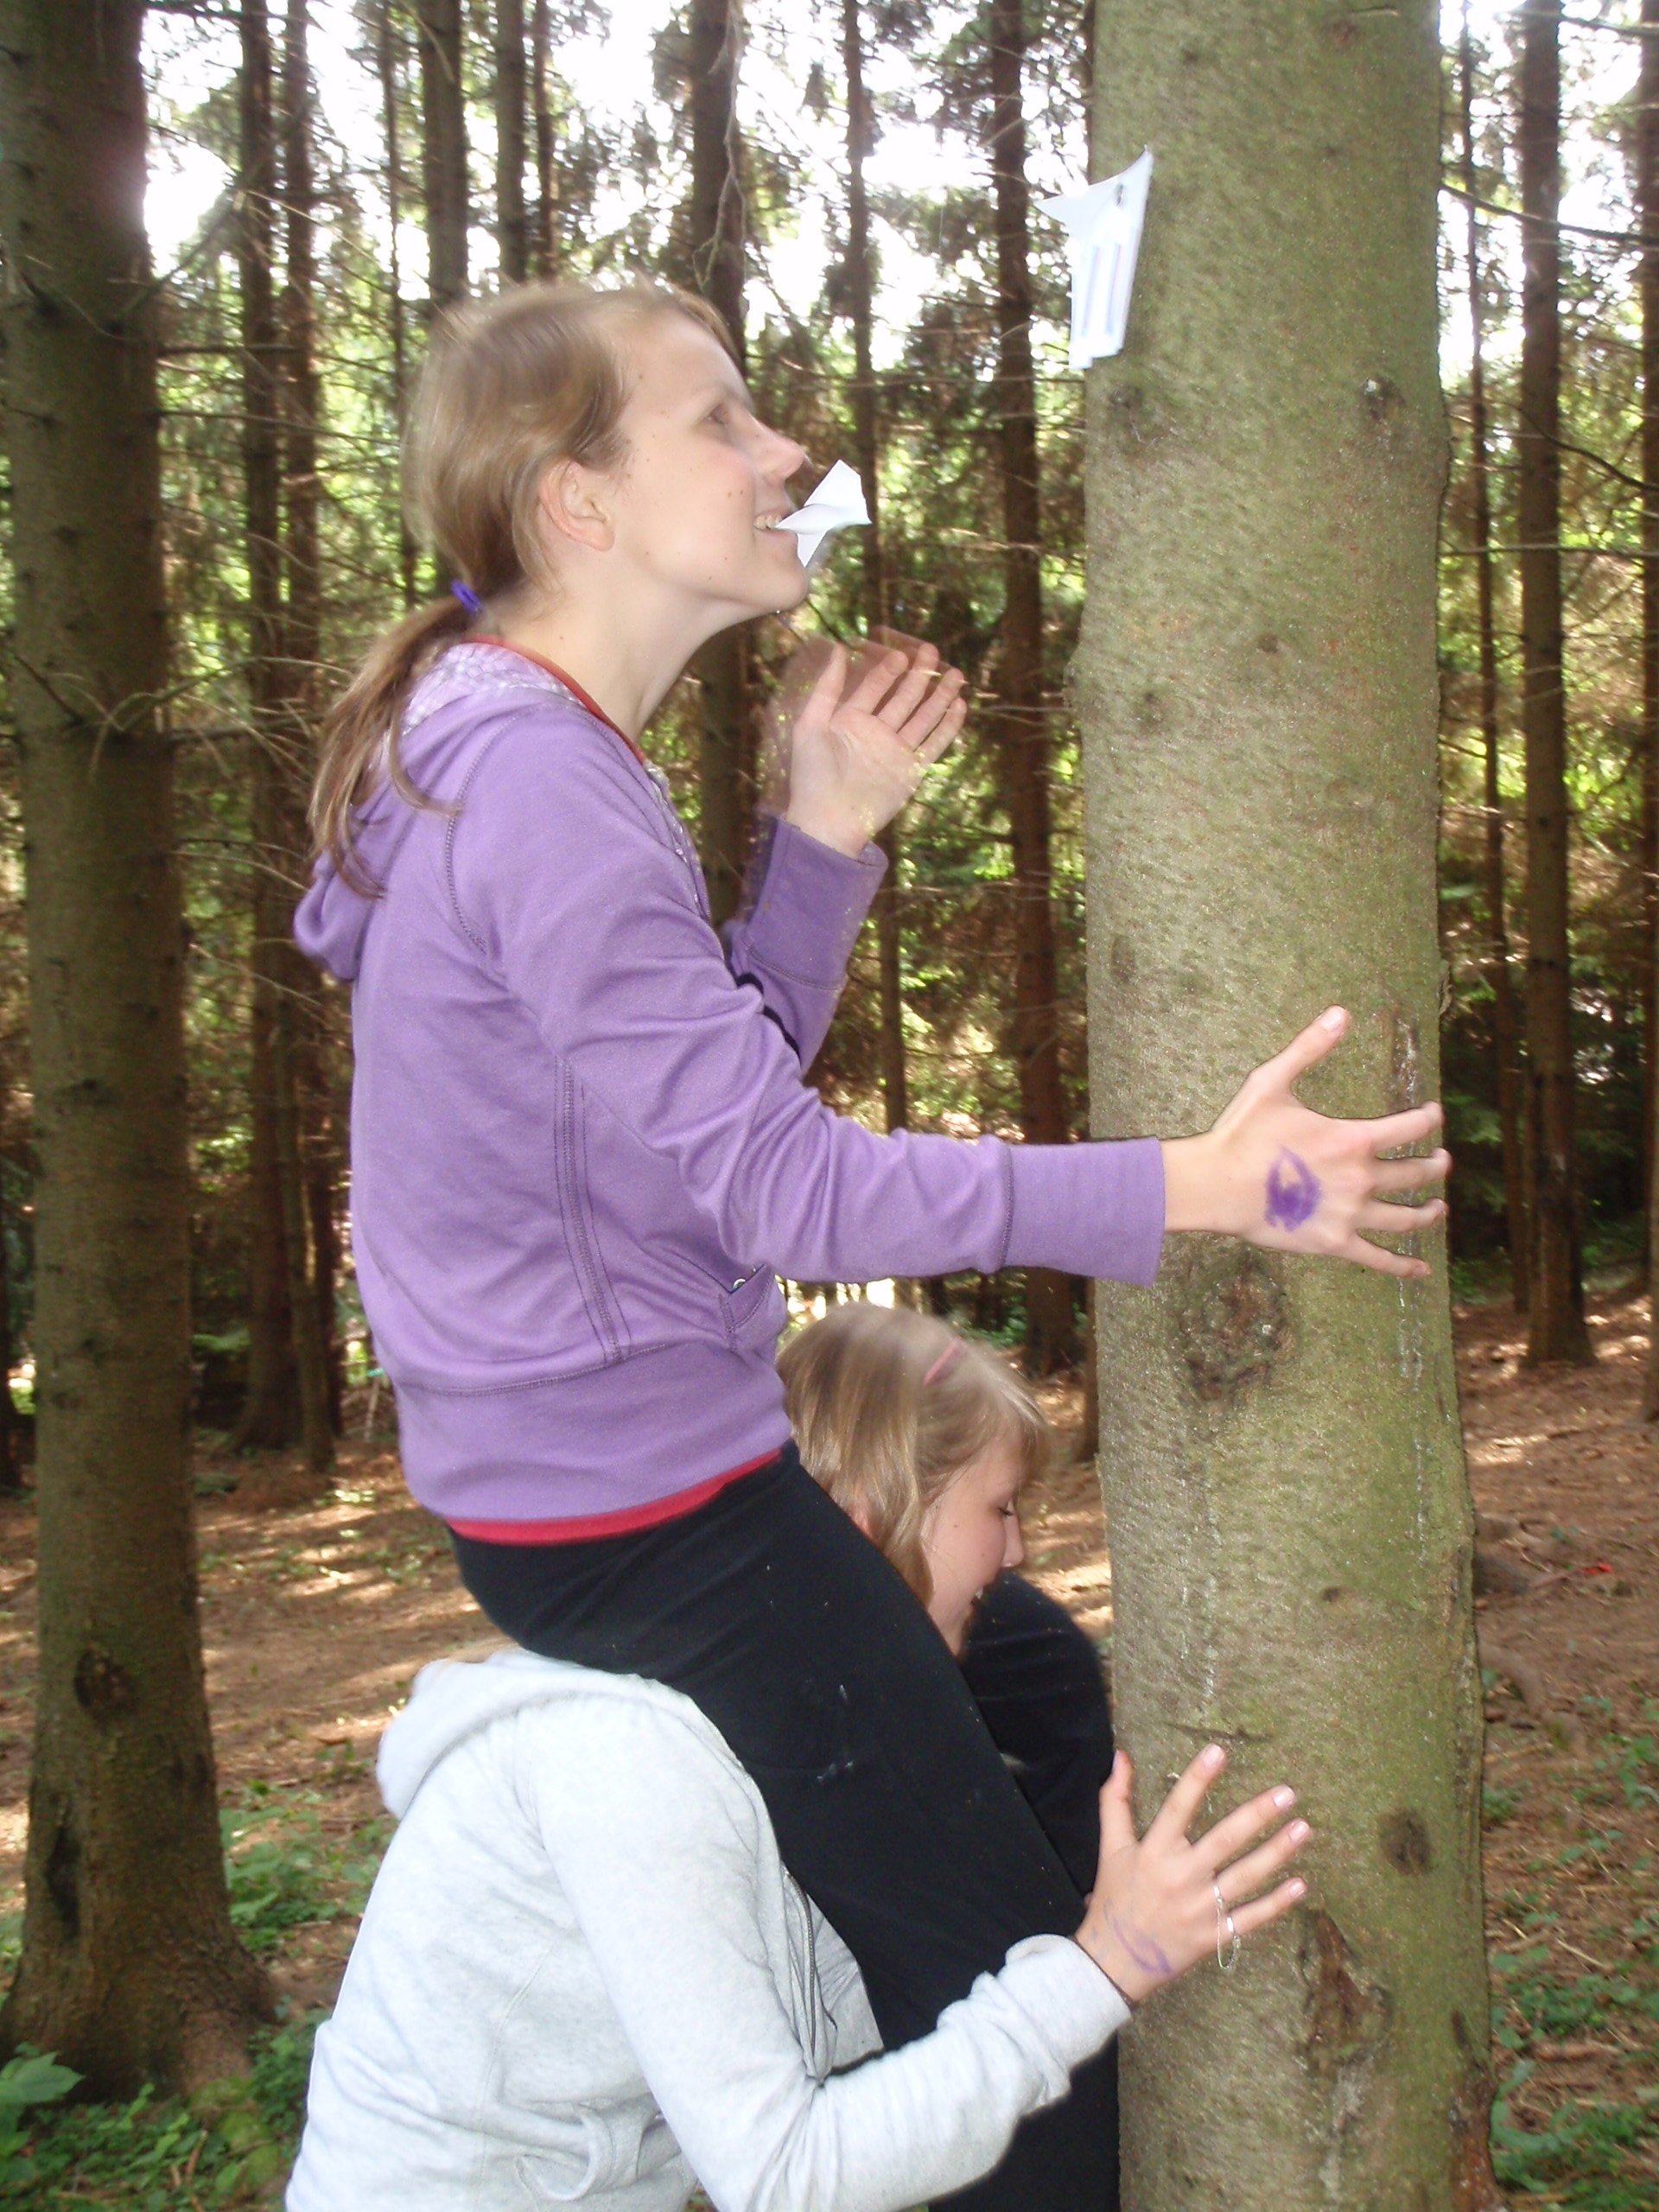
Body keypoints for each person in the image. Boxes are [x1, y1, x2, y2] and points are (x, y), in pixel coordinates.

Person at [294, 276, 1448, 2209]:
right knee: (1030, 2034)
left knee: (1032, 1684)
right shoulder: (541, 779)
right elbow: (786, 1189)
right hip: (658, 1525)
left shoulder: (500, 744)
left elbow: (685, 1137)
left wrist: (821, 839)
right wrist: (1207, 1185)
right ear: (578, 501)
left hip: (603, 1497)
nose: (784, 453)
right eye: (721, 420)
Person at [286, 1652, 1308, 2212]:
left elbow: (854, 2026)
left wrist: (1082, 1935)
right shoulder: (628, 1764)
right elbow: (785, 2176)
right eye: (996, 1508)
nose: (1017, 1550)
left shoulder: (787, 1754)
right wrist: (1106, 1967)